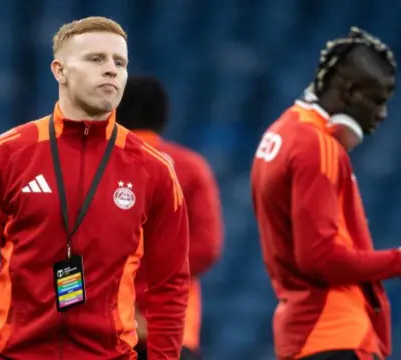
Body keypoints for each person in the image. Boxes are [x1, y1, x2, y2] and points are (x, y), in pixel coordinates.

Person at [0, 16, 190, 360]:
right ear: (59, 70)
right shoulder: (8, 154)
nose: (111, 70)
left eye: (119, 62)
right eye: (96, 59)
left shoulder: (154, 169)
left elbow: (171, 285)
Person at [251, 27, 398, 360]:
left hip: (303, 334)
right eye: (376, 100)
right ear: (348, 91)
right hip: (334, 334)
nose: (382, 114)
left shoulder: (280, 133)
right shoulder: (318, 145)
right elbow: (320, 257)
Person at [117, 76, 224, 360]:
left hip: (106, 328)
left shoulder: (93, 168)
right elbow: (205, 249)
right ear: (163, 118)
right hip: (175, 330)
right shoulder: (192, 168)